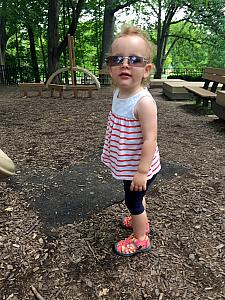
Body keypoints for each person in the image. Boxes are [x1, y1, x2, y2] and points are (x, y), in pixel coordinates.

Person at [101, 25, 161, 257]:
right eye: (118, 59)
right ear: (110, 68)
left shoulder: (143, 102)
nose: (125, 64)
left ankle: (140, 238)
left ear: (146, 70)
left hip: (140, 167)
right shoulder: (118, 93)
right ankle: (140, 220)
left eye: (134, 59)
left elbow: (150, 139)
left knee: (133, 200)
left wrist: (141, 172)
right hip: (129, 164)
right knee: (137, 198)